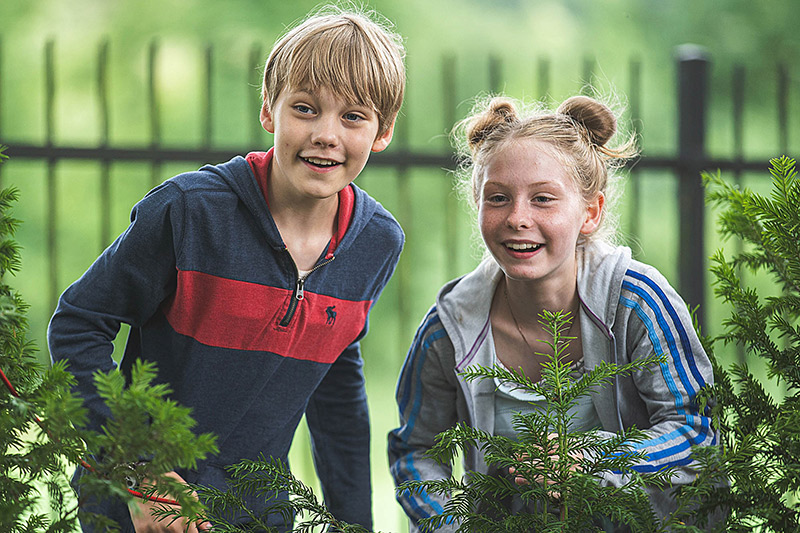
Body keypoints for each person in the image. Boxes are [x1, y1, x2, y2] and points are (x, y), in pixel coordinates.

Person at [48, 5, 406, 532]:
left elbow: (335, 383)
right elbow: (79, 323)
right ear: (269, 111)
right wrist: (137, 472)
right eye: (305, 108)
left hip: (257, 510)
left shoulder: (376, 242)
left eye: (352, 116)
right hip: (138, 504)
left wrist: (353, 525)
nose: (326, 134)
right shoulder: (190, 211)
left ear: (383, 132)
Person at [388, 94, 717, 531]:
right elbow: (415, 453)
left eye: (543, 199)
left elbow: (694, 430)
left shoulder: (638, 302)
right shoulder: (450, 329)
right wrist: (456, 526)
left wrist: (596, 459)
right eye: (498, 198)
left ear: (590, 213)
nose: (517, 218)